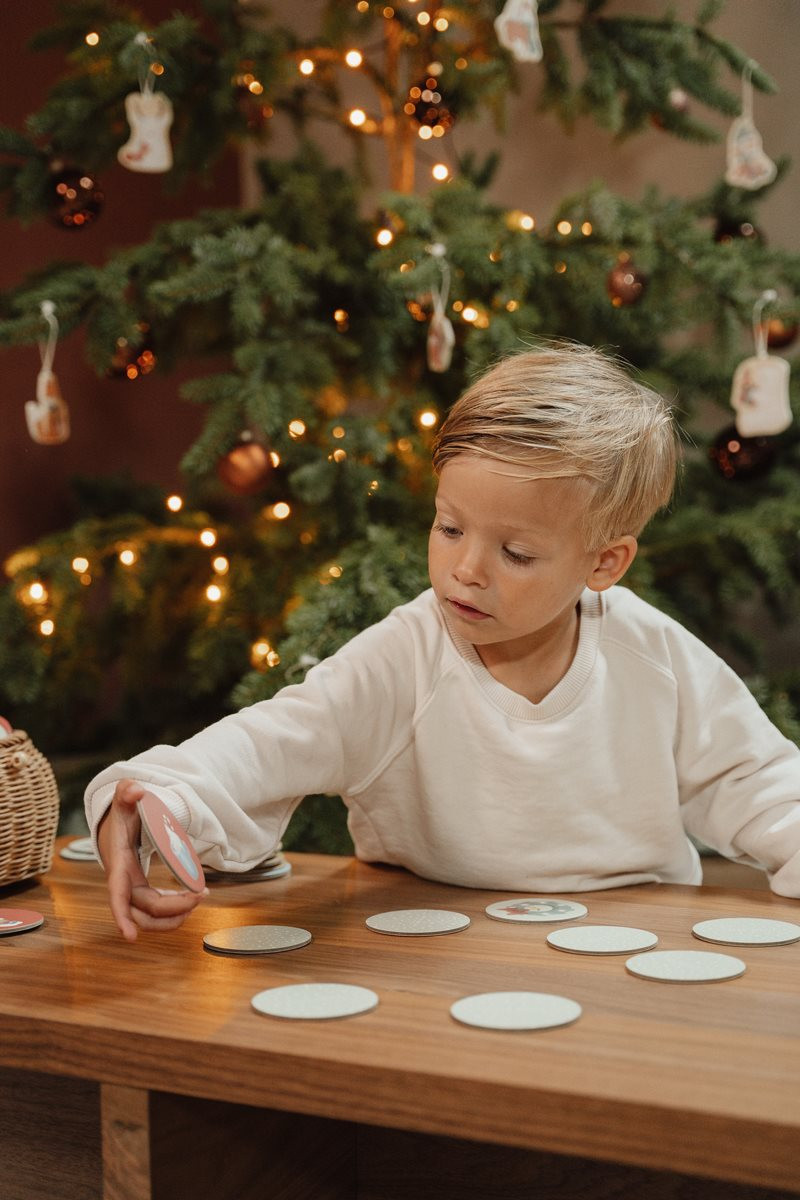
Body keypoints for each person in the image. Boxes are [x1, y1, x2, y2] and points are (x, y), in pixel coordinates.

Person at [86, 342, 800, 940]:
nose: (466, 569)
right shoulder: (404, 656)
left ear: (604, 563)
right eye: (449, 527)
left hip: (635, 941)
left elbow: (757, 783)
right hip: (424, 939)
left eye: (516, 553)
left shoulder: (654, 656)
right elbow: (272, 743)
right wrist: (158, 800)